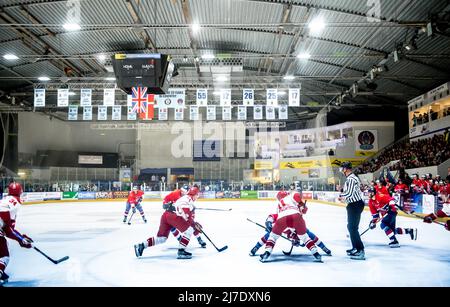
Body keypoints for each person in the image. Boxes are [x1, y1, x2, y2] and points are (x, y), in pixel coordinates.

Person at [134, 186, 202, 259]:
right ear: (194, 194)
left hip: (166, 215)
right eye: (197, 195)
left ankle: (141, 245)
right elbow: (187, 216)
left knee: (162, 238)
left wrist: (192, 220)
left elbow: (186, 214)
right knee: (189, 230)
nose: (197, 197)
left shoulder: (186, 198)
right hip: (173, 217)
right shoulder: (188, 200)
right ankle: (181, 251)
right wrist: (193, 224)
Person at [259, 184, 322, 263]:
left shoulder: (279, 204)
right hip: (297, 217)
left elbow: (277, 217)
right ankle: (316, 254)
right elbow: (299, 201)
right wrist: (303, 207)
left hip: (282, 218)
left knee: (273, 237)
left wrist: (269, 223)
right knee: (305, 238)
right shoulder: (291, 196)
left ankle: (266, 253)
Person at [0, 182, 33, 286]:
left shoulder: (5, 199)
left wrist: (21, 238)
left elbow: (7, 229)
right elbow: (8, 229)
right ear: (20, 191)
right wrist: (21, 239)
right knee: (4, 256)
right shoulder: (15, 202)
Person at [338, 162, 366, 260]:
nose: (341, 170)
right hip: (354, 204)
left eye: (342, 168)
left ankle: (360, 250)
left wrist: (342, 196)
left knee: (352, 228)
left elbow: (349, 194)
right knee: (351, 227)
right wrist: (342, 192)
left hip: (355, 205)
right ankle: (355, 247)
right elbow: (350, 192)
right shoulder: (352, 178)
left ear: (346, 169)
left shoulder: (351, 179)